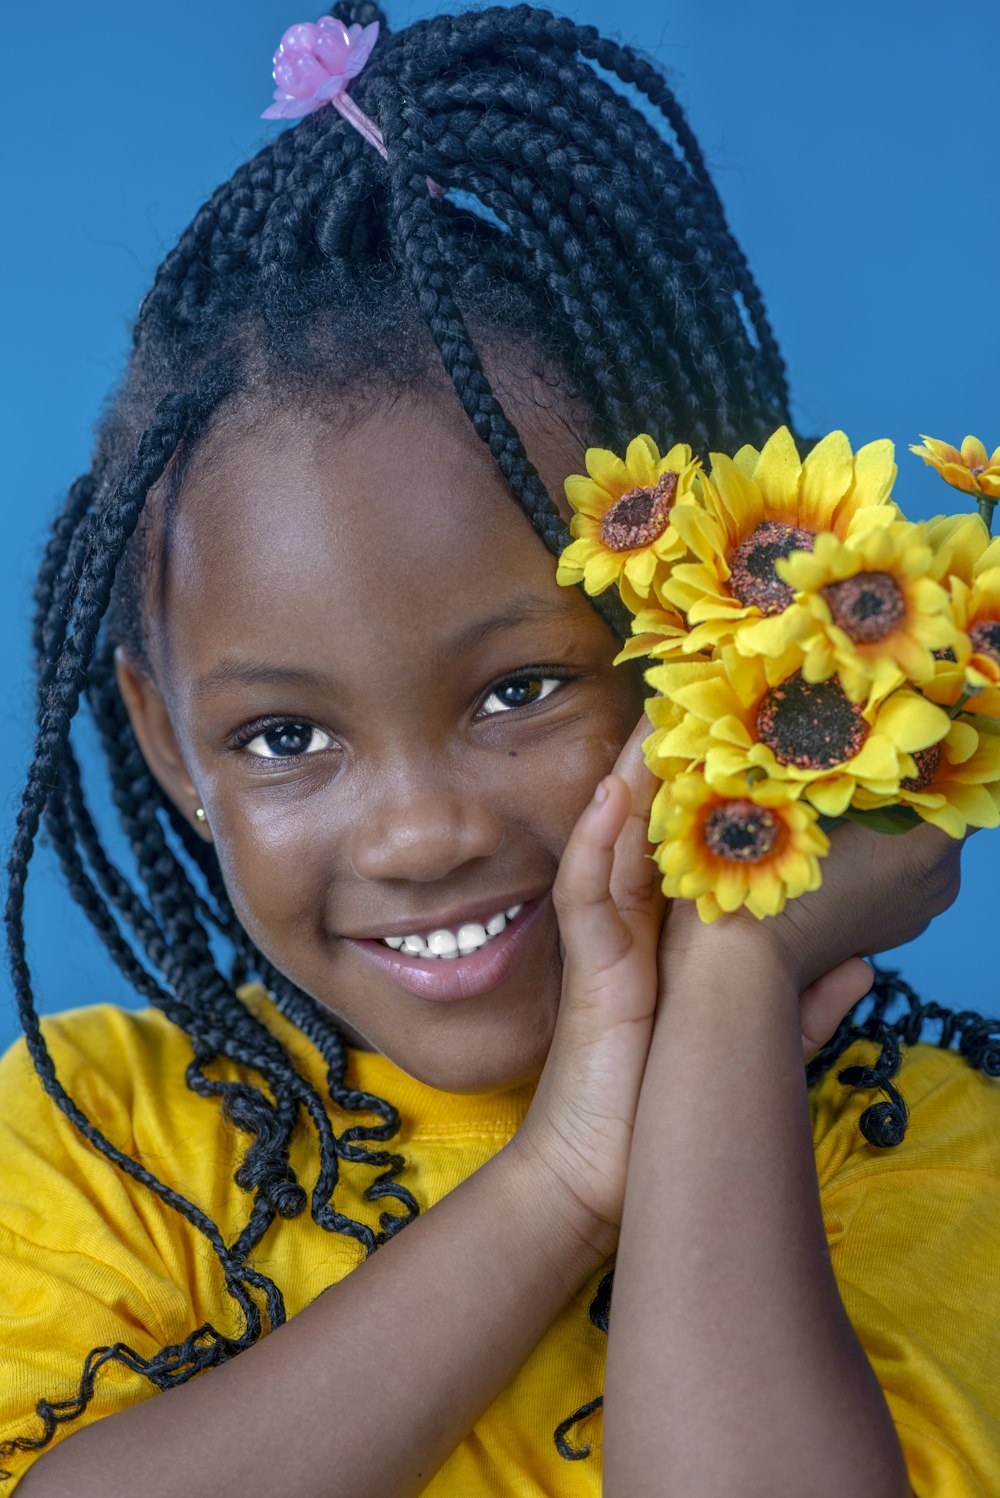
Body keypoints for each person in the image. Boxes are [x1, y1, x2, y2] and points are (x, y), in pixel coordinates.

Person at [1, 4, 998, 1494]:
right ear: (167, 746)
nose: (418, 832)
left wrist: (729, 977)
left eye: (518, 689)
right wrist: (559, 1180)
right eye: (283, 734)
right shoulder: (113, 1139)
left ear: (712, 630)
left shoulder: (914, 1145)